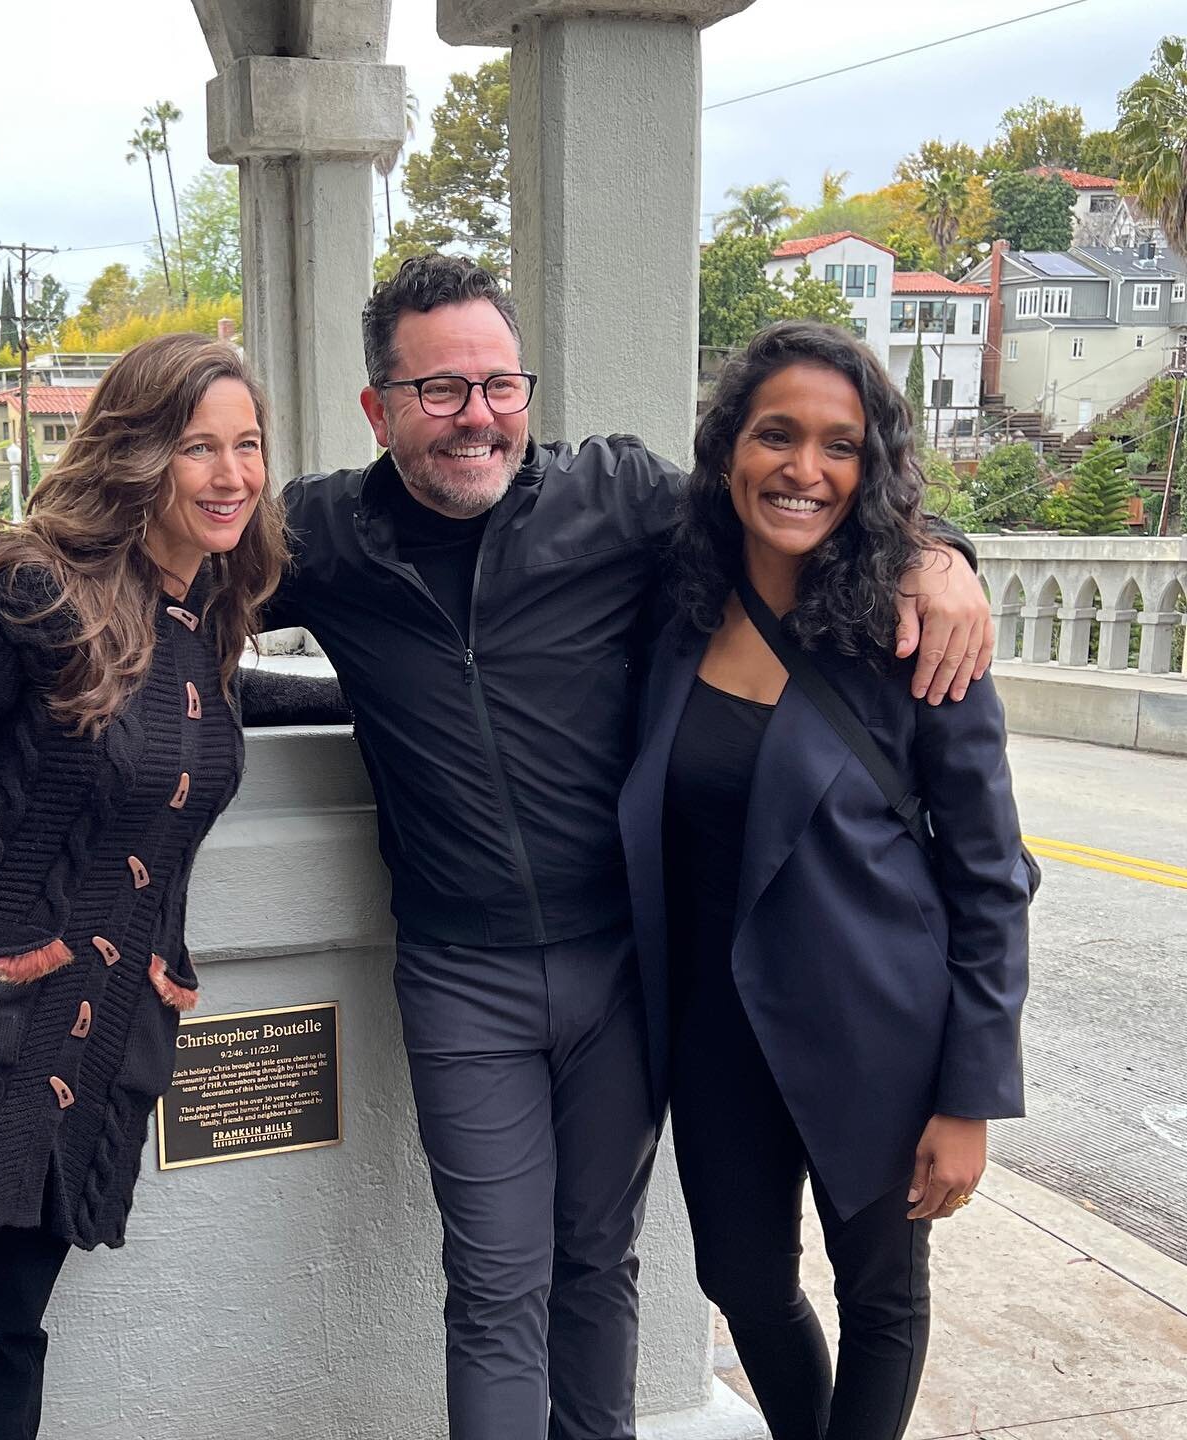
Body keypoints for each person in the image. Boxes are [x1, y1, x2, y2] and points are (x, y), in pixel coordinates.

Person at [261, 257, 996, 1440]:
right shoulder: (325, 538)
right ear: (378, 407)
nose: (477, 417)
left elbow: (790, 503)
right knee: (498, 1285)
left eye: (500, 384)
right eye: (440, 390)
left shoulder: (614, 498)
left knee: (601, 1266)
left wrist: (940, 552)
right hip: (464, 973)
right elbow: (174, 577)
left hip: (625, 974)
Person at [0, 334, 341, 1440]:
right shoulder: (27, 589)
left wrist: (391, 700)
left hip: (89, 1036)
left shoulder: (208, 622)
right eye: (201, 447)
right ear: (140, 452)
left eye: (248, 446)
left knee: (12, 1327)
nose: (232, 474)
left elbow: (204, 716)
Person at [618, 321, 1032, 1440]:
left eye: (841, 446)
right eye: (777, 435)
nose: (805, 469)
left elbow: (992, 877)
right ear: (728, 452)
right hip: (715, 1040)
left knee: (882, 1302)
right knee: (742, 1283)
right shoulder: (675, 607)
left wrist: (969, 1097)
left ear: (872, 467)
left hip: (881, 1036)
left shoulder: (917, 635)